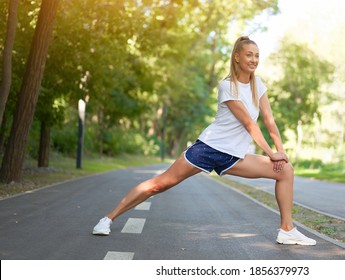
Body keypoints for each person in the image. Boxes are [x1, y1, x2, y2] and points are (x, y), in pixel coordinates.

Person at [92, 36, 316, 246]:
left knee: (285, 170)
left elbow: (269, 120)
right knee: (159, 184)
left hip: (233, 156)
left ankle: (287, 230)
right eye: (249, 54)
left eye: (257, 55)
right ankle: (108, 218)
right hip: (209, 148)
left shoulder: (259, 85)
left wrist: (280, 152)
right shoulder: (227, 86)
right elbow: (250, 124)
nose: (254, 59)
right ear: (237, 56)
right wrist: (270, 153)